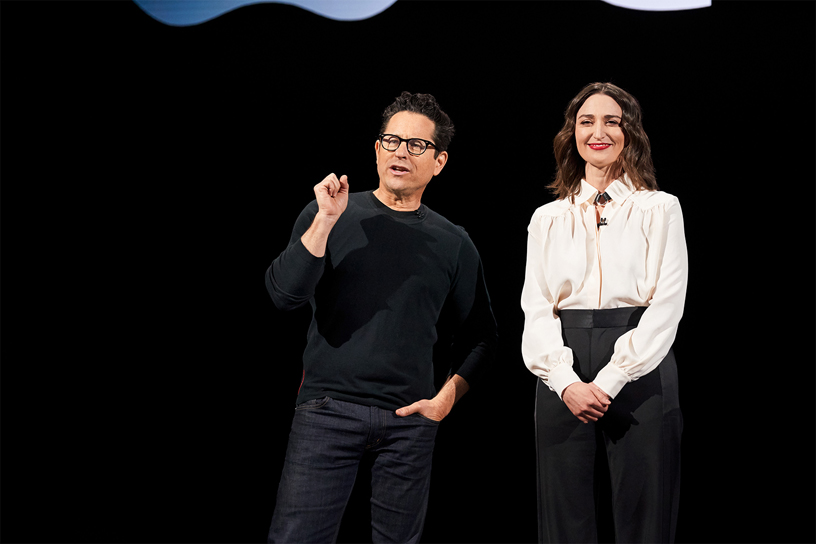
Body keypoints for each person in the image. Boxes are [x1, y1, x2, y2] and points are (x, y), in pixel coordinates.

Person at [265, 91, 497, 543]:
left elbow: (482, 338)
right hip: (326, 412)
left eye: (416, 145)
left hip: (408, 424)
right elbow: (283, 296)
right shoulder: (328, 213)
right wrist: (325, 221)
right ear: (376, 149)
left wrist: (443, 401)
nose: (400, 153)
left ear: (440, 161)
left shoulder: (453, 242)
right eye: (391, 141)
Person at [521, 82, 687, 543]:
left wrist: (612, 378)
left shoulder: (659, 208)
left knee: (645, 515)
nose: (599, 132)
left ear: (630, 132)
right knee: (564, 517)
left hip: (640, 363)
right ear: (571, 133)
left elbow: (667, 304)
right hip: (563, 366)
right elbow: (536, 307)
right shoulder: (547, 217)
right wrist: (566, 382)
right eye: (586, 121)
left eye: (612, 121)